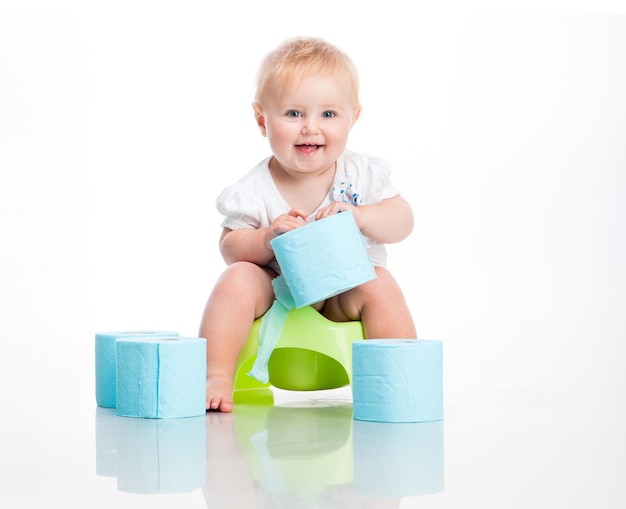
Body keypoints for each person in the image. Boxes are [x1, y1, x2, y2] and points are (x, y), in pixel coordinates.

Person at [200, 36, 416, 412]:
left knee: (380, 284)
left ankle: (402, 377)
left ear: (354, 117)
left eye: (328, 115)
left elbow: (403, 222)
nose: (310, 128)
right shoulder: (252, 190)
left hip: (340, 296)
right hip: (277, 295)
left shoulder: (362, 174)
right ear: (261, 120)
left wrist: (363, 217)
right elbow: (229, 247)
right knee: (236, 279)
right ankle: (215, 374)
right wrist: (267, 238)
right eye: (294, 114)